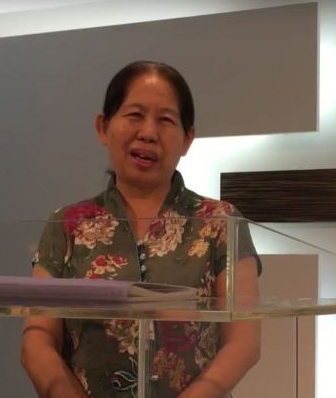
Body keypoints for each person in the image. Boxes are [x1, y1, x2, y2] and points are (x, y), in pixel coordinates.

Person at [21, 60, 261, 398]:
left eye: (165, 120)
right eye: (134, 115)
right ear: (103, 127)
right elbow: (37, 340)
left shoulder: (221, 222)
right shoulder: (66, 224)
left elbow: (244, 342)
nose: (148, 132)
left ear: (187, 139)